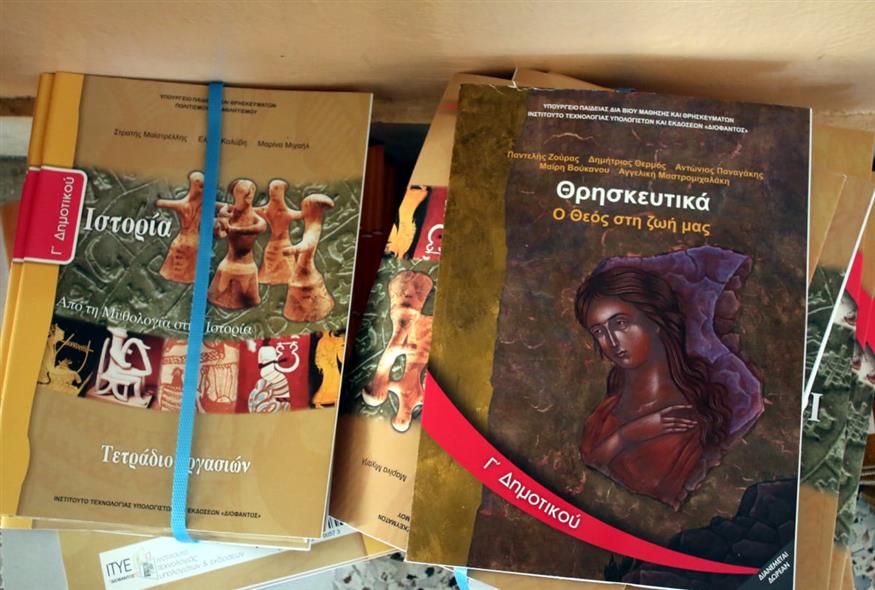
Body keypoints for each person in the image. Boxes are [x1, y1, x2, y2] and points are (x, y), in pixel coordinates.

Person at [575, 266, 733, 509]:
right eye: (599, 332)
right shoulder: (604, 414)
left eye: (620, 323)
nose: (612, 342)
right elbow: (582, 479)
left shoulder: (690, 418)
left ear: (654, 320)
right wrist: (627, 435)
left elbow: (661, 506)